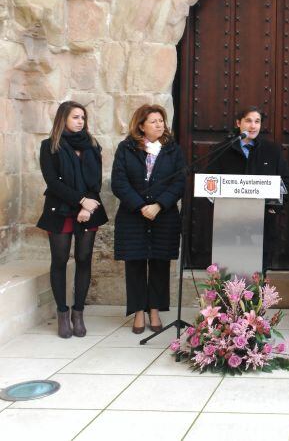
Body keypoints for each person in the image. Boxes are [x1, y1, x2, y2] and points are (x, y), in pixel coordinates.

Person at [112, 104, 186, 334]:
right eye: (153, 121)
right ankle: (137, 313)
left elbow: (179, 182)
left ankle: (154, 310)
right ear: (141, 126)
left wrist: (158, 205)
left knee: (159, 264)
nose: (159, 124)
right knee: (135, 264)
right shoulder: (126, 149)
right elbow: (119, 182)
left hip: (163, 216)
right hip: (133, 216)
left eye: (161, 120)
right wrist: (141, 206)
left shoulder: (173, 149)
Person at [37, 101, 109, 339]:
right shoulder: (49, 146)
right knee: (59, 260)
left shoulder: (92, 145)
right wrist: (80, 201)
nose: (80, 121)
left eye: (83, 118)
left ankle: (78, 313)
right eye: (76, 117)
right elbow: (53, 183)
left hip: (89, 208)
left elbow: (95, 180)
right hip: (61, 209)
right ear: (63, 119)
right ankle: (62, 313)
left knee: (84, 258)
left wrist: (87, 206)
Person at [207, 106, 289, 268]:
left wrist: (272, 208)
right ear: (238, 123)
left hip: (261, 222)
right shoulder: (221, 149)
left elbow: (287, 183)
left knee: (256, 275)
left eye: (257, 121)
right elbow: (210, 183)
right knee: (228, 272)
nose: (253, 126)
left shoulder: (272, 151)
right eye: (248, 121)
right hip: (228, 222)